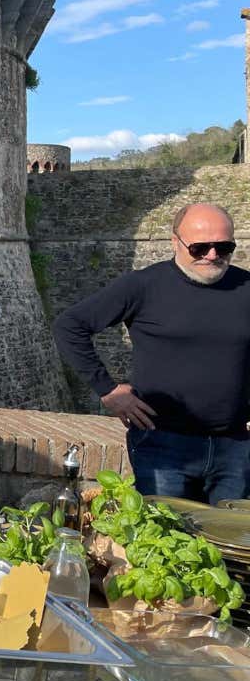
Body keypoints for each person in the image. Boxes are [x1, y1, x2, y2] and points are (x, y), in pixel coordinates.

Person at [53, 203, 250, 504]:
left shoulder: (246, 287)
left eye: (224, 247)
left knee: (229, 548)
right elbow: (70, 326)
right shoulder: (143, 286)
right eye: (199, 248)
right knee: (166, 542)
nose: (212, 255)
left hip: (235, 447)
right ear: (175, 242)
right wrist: (107, 389)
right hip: (162, 445)